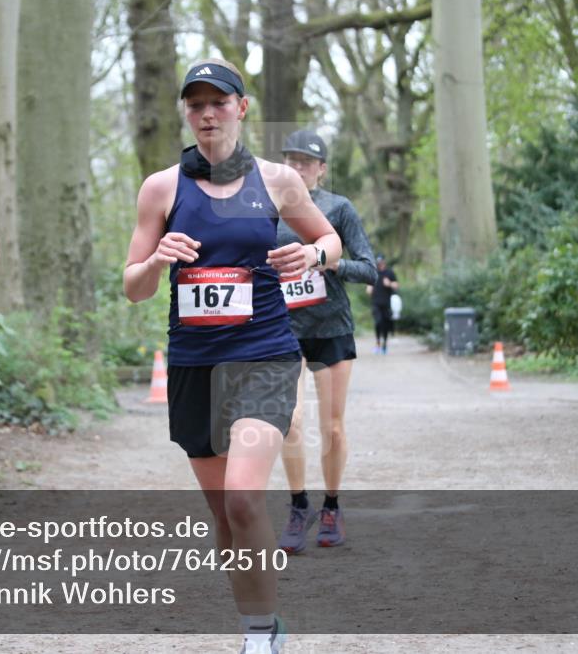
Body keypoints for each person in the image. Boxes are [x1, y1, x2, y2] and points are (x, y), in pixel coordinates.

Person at [123, 59, 341, 654]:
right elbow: (134, 287)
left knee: (244, 497)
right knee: (226, 517)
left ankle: (259, 637)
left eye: (218, 102)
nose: (207, 113)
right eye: (195, 104)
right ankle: (260, 620)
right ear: (187, 114)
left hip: (264, 356)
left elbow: (329, 238)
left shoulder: (277, 181)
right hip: (195, 365)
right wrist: (156, 260)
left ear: (241, 108)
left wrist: (313, 258)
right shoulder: (161, 188)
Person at [274, 130, 377, 553]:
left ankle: (331, 505)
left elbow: (370, 268)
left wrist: (329, 262)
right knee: (289, 423)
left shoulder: (339, 208)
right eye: (291, 160)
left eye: (306, 161)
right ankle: (300, 506)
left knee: (331, 428)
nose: (297, 167)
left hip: (331, 328)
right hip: (283, 331)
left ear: (321, 169)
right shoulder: (269, 210)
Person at [367, 255, 399, 354]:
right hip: (376, 303)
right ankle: (377, 344)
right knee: (378, 322)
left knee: (385, 324)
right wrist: (369, 289)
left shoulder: (389, 273)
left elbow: (396, 285)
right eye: (378, 262)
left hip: (386, 303)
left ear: (384, 262)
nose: (379, 263)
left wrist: (389, 283)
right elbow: (368, 288)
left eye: (381, 261)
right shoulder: (373, 272)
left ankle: (384, 344)